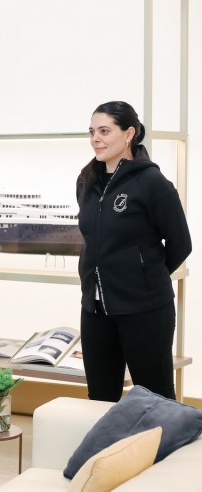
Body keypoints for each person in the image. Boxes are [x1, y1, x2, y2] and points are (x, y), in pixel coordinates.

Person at [77, 101, 192, 402]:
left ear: (129, 134)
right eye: (92, 132)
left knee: (155, 399)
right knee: (100, 399)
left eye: (104, 131)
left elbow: (181, 242)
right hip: (96, 309)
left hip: (146, 311)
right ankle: (109, 452)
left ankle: (163, 450)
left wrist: (143, 278)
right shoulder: (86, 181)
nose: (95, 139)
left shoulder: (152, 183)